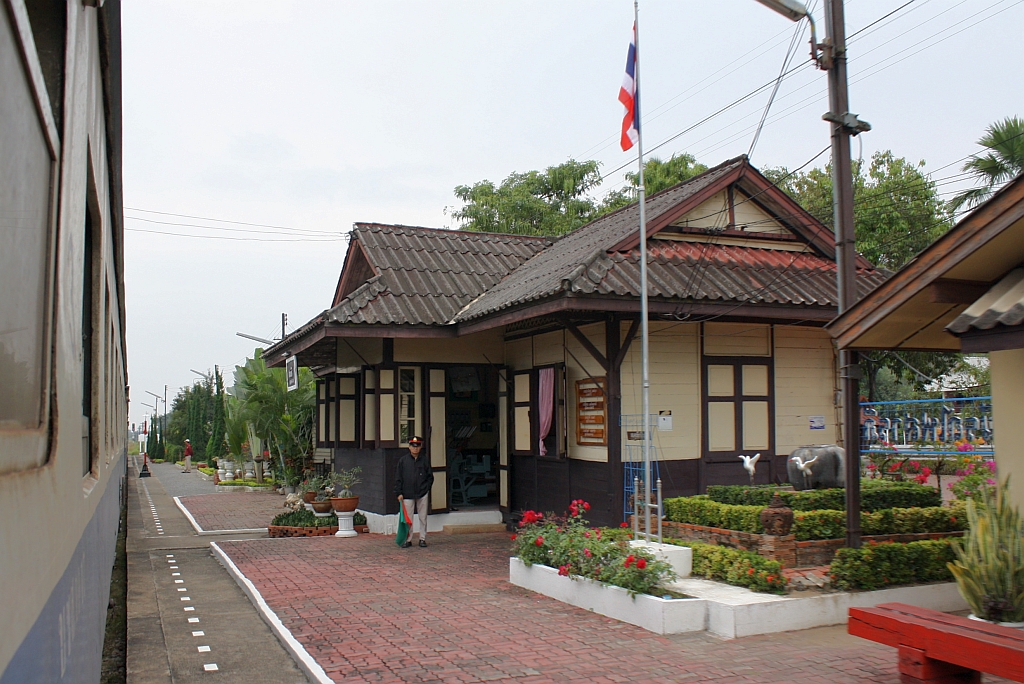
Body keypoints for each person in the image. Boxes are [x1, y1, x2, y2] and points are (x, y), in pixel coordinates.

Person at [394, 436, 433, 548]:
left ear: (420, 447)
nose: (415, 448)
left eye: (417, 446)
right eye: (413, 446)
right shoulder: (403, 461)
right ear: (409, 447)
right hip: (407, 493)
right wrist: (399, 492)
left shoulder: (425, 460)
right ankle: (408, 539)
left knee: (423, 517)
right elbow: (398, 477)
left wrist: (426, 488)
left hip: (422, 492)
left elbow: (430, 477)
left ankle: (422, 538)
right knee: (408, 518)